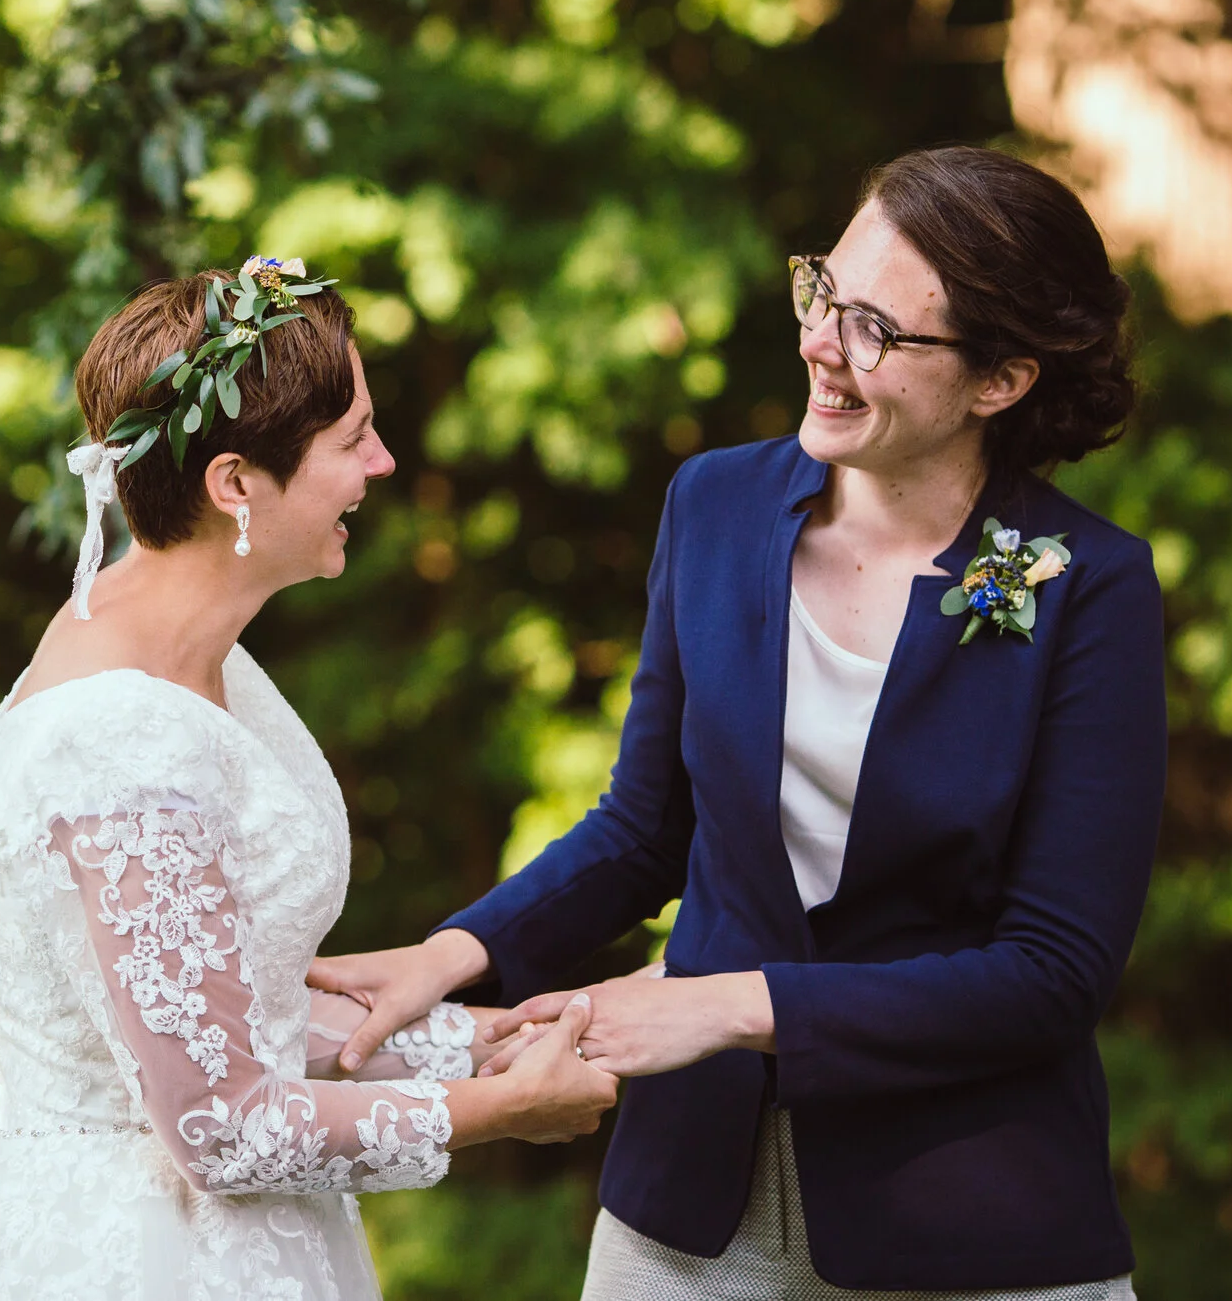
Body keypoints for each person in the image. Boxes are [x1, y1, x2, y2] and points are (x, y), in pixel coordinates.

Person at [313, 147, 1166, 1298]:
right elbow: (642, 828)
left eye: (876, 329)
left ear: (999, 381)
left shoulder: (1088, 587)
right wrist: (448, 957)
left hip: (967, 1217)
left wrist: (723, 1005)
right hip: (686, 1207)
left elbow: (1051, 973)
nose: (820, 342)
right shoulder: (712, 504)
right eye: (823, 292)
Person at [0, 259, 620, 1301]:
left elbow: (218, 1021)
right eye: (352, 438)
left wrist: (482, 1039)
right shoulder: (121, 737)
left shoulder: (199, 654)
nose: (382, 462)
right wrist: (500, 1110)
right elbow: (223, 1124)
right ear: (234, 483)